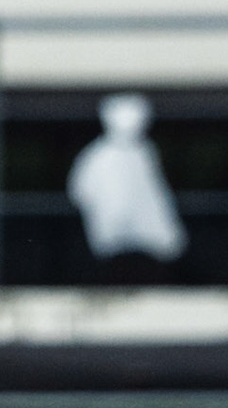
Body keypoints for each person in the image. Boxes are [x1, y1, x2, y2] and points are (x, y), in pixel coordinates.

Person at [68, 93, 186, 284]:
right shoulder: (99, 154)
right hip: (113, 236)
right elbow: (80, 190)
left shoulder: (144, 151)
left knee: (147, 273)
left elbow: (155, 192)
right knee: (119, 273)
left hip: (147, 239)